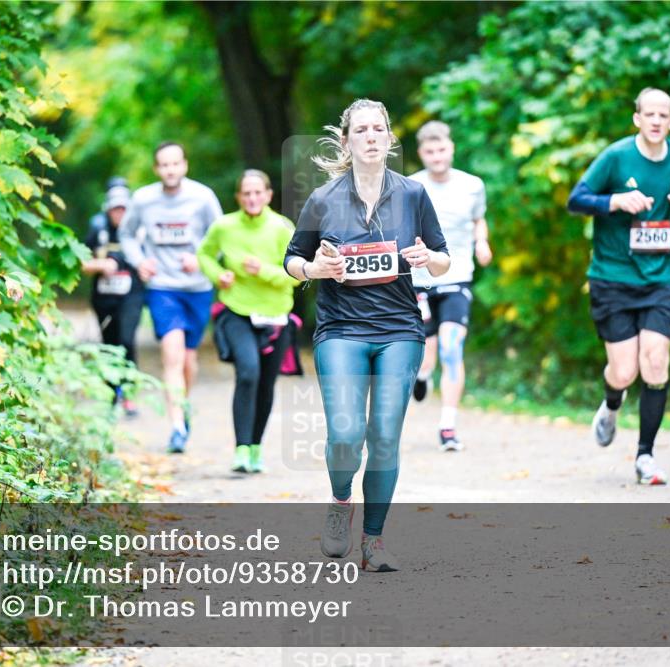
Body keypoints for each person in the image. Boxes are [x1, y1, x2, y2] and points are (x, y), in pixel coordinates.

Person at [284, 99, 450, 572]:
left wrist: (426, 259)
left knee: (382, 437)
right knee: (345, 435)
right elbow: (293, 259)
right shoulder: (323, 199)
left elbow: (442, 257)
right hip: (341, 328)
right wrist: (313, 268)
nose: (372, 136)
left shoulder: (413, 194)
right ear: (347, 140)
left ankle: (373, 542)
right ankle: (340, 503)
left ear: (390, 138)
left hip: (400, 328)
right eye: (362, 130)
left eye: (380, 128)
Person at [567, 87, 670, 485]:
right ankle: (612, 405)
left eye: (664, 115)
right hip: (613, 278)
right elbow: (576, 199)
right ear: (637, 118)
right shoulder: (615, 157)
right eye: (649, 113)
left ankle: (645, 455)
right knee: (625, 371)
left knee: (656, 361)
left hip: (665, 277)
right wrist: (614, 201)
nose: (656, 120)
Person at [119, 143, 224, 453]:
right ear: (156, 169)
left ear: (185, 166)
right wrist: (139, 261)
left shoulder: (203, 197)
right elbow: (126, 235)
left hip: (198, 288)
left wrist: (201, 259)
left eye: (175, 164)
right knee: (172, 353)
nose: (170, 170)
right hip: (162, 287)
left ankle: (184, 405)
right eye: (164, 165)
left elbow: (220, 236)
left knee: (189, 361)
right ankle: (177, 425)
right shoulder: (143, 200)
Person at [197, 170, 299, 474]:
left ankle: (255, 447)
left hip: (276, 316)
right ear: (239, 197)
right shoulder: (224, 226)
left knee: (266, 383)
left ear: (268, 195)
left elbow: (296, 276)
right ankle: (241, 448)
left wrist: (263, 270)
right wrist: (219, 275)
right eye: (246, 193)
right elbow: (203, 254)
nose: (252, 198)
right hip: (237, 310)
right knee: (248, 372)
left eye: (258, 193)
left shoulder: (282, 227)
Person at [408, 121, 493, 452]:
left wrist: (482, 242)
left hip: (458, 276)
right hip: (420, 281)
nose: (436, 156)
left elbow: (478, 219)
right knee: (427, 356)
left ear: (451, 149)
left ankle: (447, 426)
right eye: (429, 152)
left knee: (451, 348)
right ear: (421, 154)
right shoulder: (412, 186)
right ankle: (422, 376)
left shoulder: (473, 185)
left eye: (441, 149)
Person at [81, 185, 144, 416]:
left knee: (127, 340)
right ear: (108, 210)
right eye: (115, 209)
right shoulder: (98, 230)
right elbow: (81, 261)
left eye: (123, 209)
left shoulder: (139, 231)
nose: (119, 213)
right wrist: (101, 265)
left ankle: (129, 393)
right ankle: (111, 394)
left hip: (132, 295)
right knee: (109, 344)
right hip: (104, 297)